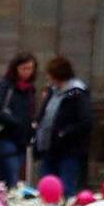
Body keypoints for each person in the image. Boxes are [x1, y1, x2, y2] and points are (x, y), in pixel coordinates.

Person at [34, 54, 94, 193]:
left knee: (67, 188)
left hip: (69, 150)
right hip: (49, 147)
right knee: (46, 187)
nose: (47, 78)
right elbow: (45, 112)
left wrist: (64, 132)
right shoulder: (52, 91)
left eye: (50, 74)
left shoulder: (77, 94)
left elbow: (86, 122)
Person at [0, 55, 40, 188]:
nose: (27, 72)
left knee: (8, 178)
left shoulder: (30, 89)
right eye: (24, 68)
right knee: (12, 177)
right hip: (5, 137)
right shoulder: (5, 86)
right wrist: (14, 121)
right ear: (16, 69)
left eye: (30, 68)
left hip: (22, 140)